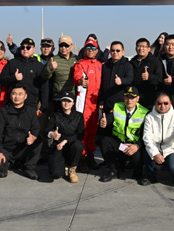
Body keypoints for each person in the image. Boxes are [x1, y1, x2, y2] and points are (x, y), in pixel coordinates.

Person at [98, 86, 149, 183]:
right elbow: (109, 118)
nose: (129, 100)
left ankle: (138, 171)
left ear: (137, 98)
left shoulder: (144, 112)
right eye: (127, 97)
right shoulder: (117, 107)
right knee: (105, 141)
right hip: (120, 145)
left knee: (139, 154)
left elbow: (146, 135)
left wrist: (137, 146)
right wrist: (104, 121)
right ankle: (113, 170)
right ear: (123, 97)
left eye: (132, 97)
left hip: (133, 146)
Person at [0, 83, 40, 180]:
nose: (17, 97)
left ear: (25, 96)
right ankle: (6, 165)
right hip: (6, 149)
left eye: (20, 94)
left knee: (39, 140)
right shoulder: (3, 112)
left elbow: (36, 128)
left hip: (23, 147)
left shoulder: (30, 111)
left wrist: (33, 137)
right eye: (14, 94)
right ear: (10, 95)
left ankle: (28, 168)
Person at [141, 92, 174, 185]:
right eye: (159, 103)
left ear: (170, 103)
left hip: (171, 149)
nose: (162, 106)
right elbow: (147, 138)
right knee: (147, 152)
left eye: (165, 103)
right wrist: (155, 153)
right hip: (155, 147)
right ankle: (151, 175)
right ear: (155, 104)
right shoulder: (149, 117)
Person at [72, 38, 103, 172]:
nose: (90, 50)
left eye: (93, 48)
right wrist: (80, 81)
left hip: (95, 103)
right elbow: (77, 77)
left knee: (93, 130)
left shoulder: (100, 65)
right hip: (83, 103)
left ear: (97, 50)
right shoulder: (80, 64)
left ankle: (90, 155)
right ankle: (82, 158)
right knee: (82, 131)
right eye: (88, 48)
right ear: (84, 50)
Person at [0, 38, 49, 115]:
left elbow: (44, 87)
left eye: (28, 47)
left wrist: (43, 108)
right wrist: (14, 78)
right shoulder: (12, 63)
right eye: (23, 47)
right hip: (13, 105)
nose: (25, 49)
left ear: (34, 49)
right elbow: (1, 79)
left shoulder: (39, 66)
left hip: (31, 105)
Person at [47, 90, 84, 183]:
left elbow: (80, 134)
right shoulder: (55, 116)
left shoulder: (79, 116)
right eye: (64, 101)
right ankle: (63, 165)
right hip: (58, 146)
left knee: (78, 145)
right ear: (61, 102)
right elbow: (46, 130)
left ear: (73, 103)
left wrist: (66, 140)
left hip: (72, 146)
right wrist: (52, 134)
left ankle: (72, 169)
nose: (66, 103)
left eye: (69, 101)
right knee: (56, 174)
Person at [42, 35, 78, 115]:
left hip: (72, 99)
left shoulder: (76, 59)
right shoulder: (54, 59)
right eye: (61, 45)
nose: (63, 48)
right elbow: (44, 77)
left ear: (71, 47)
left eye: (66, 45)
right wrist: (50, 69)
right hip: (58, 98)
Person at [99, 41, 134, 112]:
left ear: (123, 52)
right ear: (110, 52)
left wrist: (122, 81)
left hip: (121, 104)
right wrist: (101, 101)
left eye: (118, 50)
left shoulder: (128, 65)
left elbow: (130, 79)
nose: (115, 52)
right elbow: (101, 85)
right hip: (106, 104)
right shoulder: (105, 66)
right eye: (113, 50)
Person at [130, 37, 163, 110]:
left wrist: (149, 77)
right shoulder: (131, 62)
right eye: (139, 46)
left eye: (143, 46)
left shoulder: (155, 61)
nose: (141, 48)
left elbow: (160, 79)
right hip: (134, 99)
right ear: (136, 48)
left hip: (149, 100)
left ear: (149, 49)